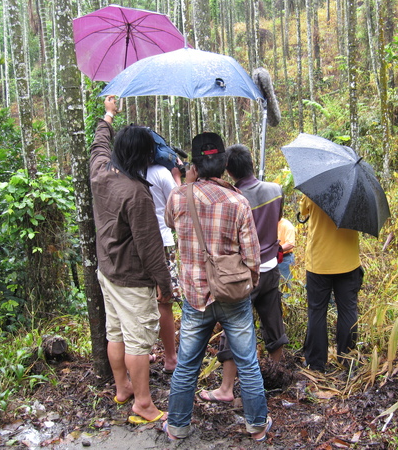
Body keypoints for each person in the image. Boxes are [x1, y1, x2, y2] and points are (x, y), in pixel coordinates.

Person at [163, 132, 272, 441]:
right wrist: (246, 287)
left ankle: (178, 427)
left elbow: (172, 223)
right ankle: (256, 426)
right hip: (232, 295)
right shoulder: (238, 201)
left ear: (193, 166)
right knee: (248, 364)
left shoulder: (178, 197)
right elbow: (252, 257)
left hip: (196, 297)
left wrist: (187, 181)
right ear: (225, 163)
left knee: (186, 365)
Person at [89, 95, 172, 425]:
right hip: (131, 278)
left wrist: (108, 116)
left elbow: (98, 146)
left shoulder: (101, 173)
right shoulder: (137, 193)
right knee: (138, 340)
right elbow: (151, 249)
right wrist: (164, 286)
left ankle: (122, 388)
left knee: (116, 333)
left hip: (106, 271)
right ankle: (143, 403)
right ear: (143, 157)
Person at [199, 143, 288, 404]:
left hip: (243, 275)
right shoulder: (275, 190)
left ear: (228, 169)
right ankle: (274, 375)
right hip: (271, 269)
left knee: (234, 327)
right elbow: (277, 221)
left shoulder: (232, 199)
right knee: (274, 322)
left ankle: (226, 388)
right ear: (250, 163)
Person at [300, 196, 364, 373]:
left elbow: (303, 211)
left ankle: (316, 363)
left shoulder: (314, 188)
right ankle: (348, 361)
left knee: (317, 311)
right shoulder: (355, 191)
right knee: (348, 310)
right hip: (348, 261)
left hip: (319, 262)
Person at [146, 162, 182, 374]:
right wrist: (177, 178)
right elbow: (179, 202)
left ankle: (144, 351)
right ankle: (170, 358)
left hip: (137, 242)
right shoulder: (160, 172)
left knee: (142, 297)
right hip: (162, 240)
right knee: (164, 300)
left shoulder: (129, 171)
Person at [277, 217, 295, 291]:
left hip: (285, 259)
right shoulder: (270, 223)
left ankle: (288, 300)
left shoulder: (287, 225)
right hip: (273, 259)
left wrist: (276, 250)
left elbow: (290, 244)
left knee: (288, 284)